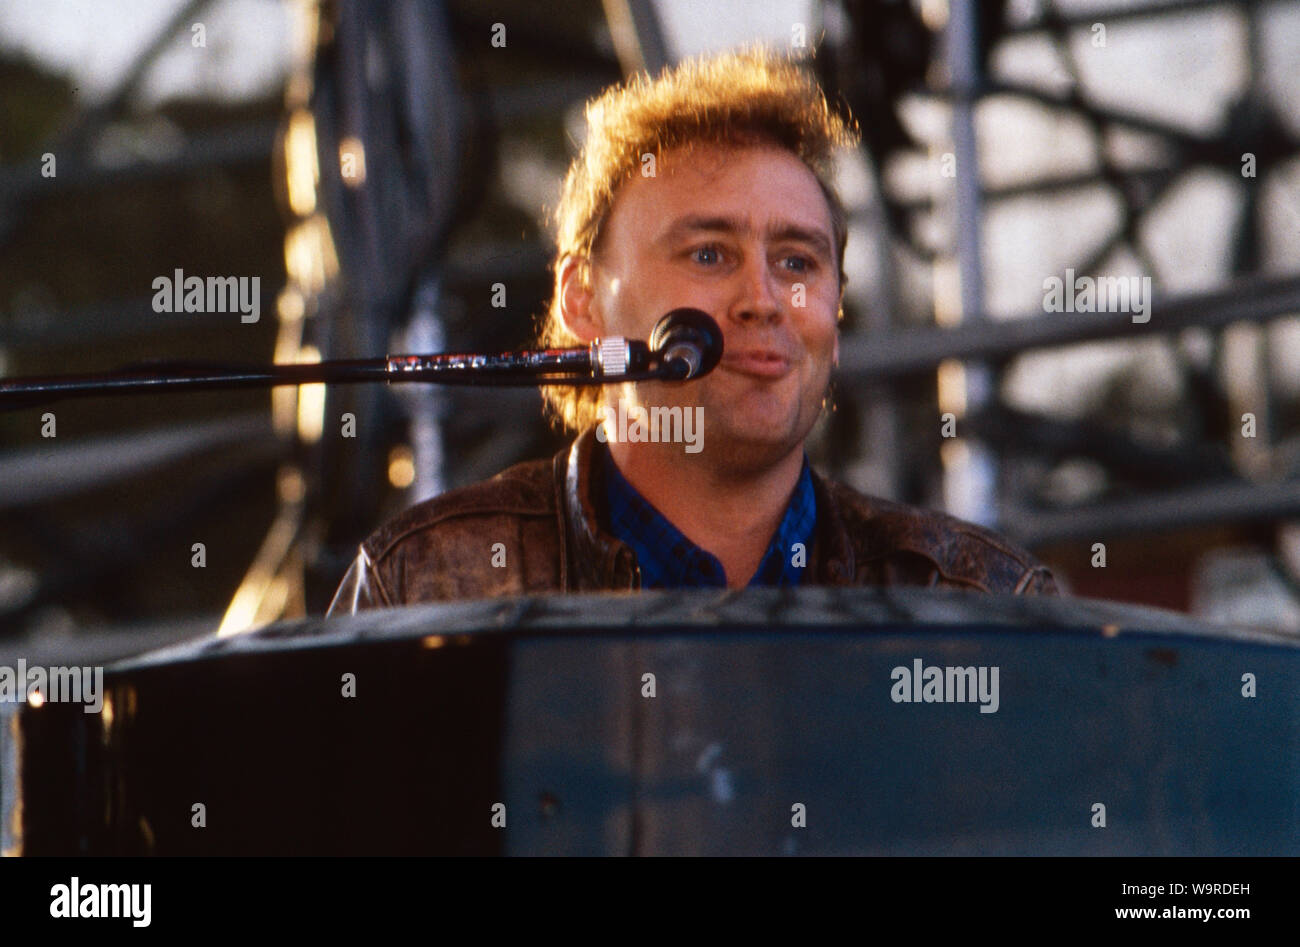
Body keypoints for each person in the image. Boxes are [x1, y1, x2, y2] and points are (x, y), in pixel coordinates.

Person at [327, 48, 1057, 615]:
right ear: (582, 302)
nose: (764, 299)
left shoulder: (979, 601)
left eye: (797, 260)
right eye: (708, 253)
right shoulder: (426, 586)